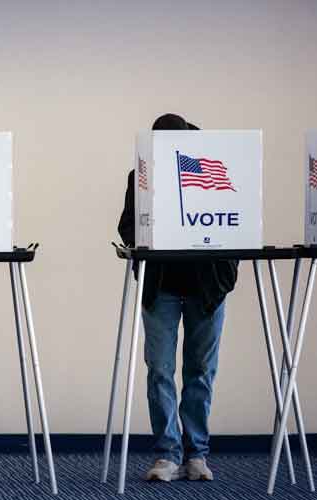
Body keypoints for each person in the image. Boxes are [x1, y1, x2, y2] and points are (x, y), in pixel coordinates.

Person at [117, 113, 238, 482]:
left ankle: (197, 455)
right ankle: (168, 455)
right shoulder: (142, 175)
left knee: (201, 371)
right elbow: (125, 225)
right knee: (160, 371)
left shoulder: (214, 168)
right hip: (162, 286)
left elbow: (237, 220)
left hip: (207, 287)